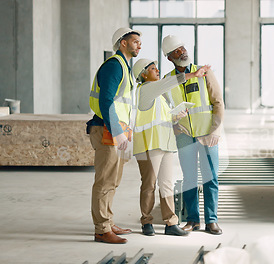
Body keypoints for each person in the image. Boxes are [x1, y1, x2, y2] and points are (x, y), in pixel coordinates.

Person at [132, 58, 211, 236]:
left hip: (165, 143)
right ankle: (146, 222)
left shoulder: (158, 96)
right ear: (143, 75)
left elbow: (161, 118)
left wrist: (176, 116)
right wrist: (193, 74)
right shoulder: (146, 89)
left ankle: (170, 223)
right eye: (152, 69)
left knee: (166, 184)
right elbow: (170, 82)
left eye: (156, 68)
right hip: (148, 144)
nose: (157, 71)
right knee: (149, 185)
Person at [161, 35, 225, 235]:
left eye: (182, 48)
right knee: (189, 178)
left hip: (207, 134)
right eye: (177, 51)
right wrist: (174, 125)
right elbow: (164, 111)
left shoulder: (204, 73)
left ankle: (211, 220)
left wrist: (216, 130)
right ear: (169, 57)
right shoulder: (167, 81)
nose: (182, 52)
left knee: (210, 177)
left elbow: (218, 102)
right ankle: (193, 220)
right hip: (184, 135)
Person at [86, 27, 142, 244]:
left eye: (139, 42)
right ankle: (101, 230)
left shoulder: (125, 68)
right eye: (135, 41)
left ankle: (107, 222)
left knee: (113, 181)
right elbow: (106, 101)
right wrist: (118, 132)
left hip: (117, 130)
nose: (139, 44)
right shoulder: (114, 66)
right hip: (108, 130)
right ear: (123, 43)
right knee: (104, 181)